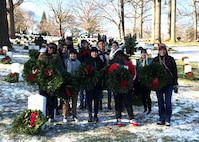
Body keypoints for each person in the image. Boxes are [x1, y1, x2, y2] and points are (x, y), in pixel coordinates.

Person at [107, 50, 138, 127]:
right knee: (118, 104)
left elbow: (133, 73)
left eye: (121, 56)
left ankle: (131, 118)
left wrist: (130, 81)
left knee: (128, 103)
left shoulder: (128, 64)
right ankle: (118, 118)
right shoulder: (113, 66)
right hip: (117, 88)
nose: (119, 57)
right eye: (118, 56)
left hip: (127, 87)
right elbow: (110, 76)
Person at [153, 43, 178, 126]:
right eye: (160, 50)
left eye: (163, 50)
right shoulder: (155, 60)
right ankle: (161, 117)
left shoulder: (170, 59)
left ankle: (168, 118)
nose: (162, 51)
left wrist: (175, 83)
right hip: (159, 84)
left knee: (168, 102)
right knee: (160, 102)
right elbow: (152, 72)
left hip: (169, 83)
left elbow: (174, 72)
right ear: (158, 51)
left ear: (166, 50)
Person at [38, 42, 62, 122]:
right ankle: (44, 113)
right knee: (43, 96)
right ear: (47, 48)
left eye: (53, 49)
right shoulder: (42, 56)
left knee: (51, 98)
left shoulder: (57, 57)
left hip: (52, 80)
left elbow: (59, 67)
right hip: (43, 79)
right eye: (50, 48)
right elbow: (38, 65)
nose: (51, 50)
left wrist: (53, 71)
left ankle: (51, 114)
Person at [85, 47, 105, 123]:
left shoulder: (100, 61)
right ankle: (90, 114)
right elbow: (84, 71)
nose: (94, 54)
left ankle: (96, 115)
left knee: (96, 100)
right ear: (90, 53)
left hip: (97, 84)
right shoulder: (87, 61)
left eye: (96, 52)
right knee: (89, 100)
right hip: (89, 84)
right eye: (93, 52)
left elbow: (103, 70)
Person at [62, 49, 81, 123]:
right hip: (67, 83)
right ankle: (65, 115)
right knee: (66, 100)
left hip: (75, 83)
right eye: (71, 54)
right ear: (69, 55)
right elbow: (64, 71)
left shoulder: (78, 63)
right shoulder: (66, 61)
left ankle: (74, 115)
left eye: (74, 54)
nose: (73, 56)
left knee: (74, 100)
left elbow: (79, 72)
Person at [136, 49, 153, 114]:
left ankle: (149, 108)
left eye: (144, 53)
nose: (143, 55)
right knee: (143, 96)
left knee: (147, 95)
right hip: (141, 81)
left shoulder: (150, 61)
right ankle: (145, 108)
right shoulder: (138, 61)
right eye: (142, 53)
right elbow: (137, 69)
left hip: (148, 80)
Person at [97, 40, 111, 110]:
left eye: (102, 44)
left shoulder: (108, 52)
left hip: (108, 72)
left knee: (109, 89)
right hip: (100, 72)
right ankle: (100, 104)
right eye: (100, 44)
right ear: (98, 45)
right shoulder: (97, 53)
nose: (101, 45)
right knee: (100, 89)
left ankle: (109, 103)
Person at [77, 39, 90, 109]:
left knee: (87, 89)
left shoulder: (89, 51)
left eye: (85, 43)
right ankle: (81, 103)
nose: (84, 45)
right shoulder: (80, 51)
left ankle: (87, 103)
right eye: (83, 44)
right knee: (81, 90)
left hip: (88, 69)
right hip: (82, 70)